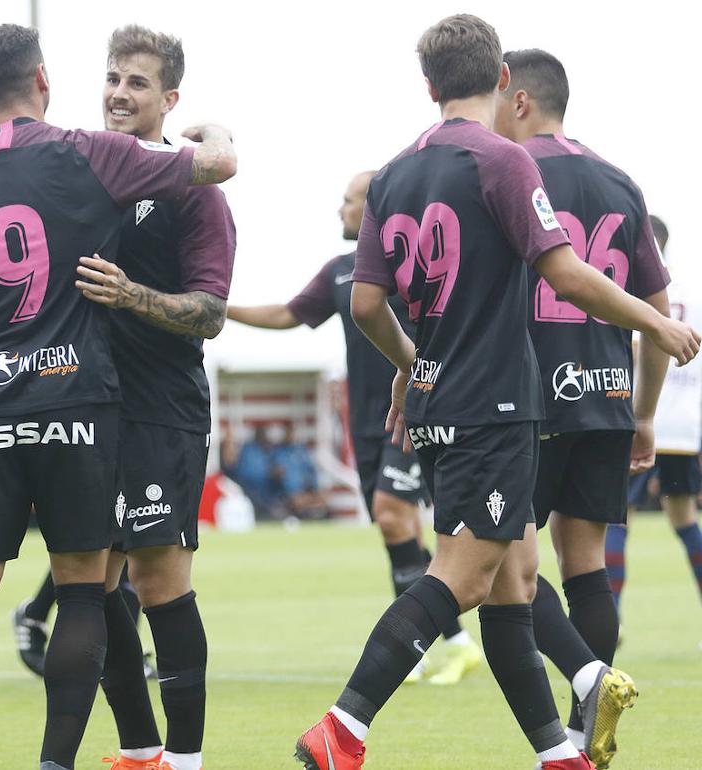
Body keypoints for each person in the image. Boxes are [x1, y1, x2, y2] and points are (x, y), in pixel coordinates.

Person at [294, 14, 700, 770]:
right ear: (501, 81)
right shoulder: (503, 161)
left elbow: (365, 306)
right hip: (498, 405)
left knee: (514, 583)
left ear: (428, 84)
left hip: (442, 400)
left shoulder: (393, 173)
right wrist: (657, 322)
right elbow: (567, 272)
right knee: (466, 577)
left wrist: (413, 367)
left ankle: (559, 753)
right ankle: (343, 726)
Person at [0, 23, 236, 770]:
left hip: (158, 408)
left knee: (159, 580)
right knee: (93, 586)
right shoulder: (78, 168)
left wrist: (132, 296)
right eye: (114, 78)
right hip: (84, 405)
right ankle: (139, 747)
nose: (121, 93)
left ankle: (186, 758)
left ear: (170, 98)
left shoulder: (184, 191)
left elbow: (212, 314)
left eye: (139, 82)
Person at [227, 170, 483, 685]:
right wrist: (219, 308)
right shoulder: (341, 272)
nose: (340, 210)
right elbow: (288, 313)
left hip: (417, 414)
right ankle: (441, 645)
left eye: (347, 201)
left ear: (373, 209)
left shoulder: (418, 266)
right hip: (366, 425)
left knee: (394, 517)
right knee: (399, 532)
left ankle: (446, 642)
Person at [492, 48, 675, 765]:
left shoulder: (509, 173)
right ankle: (578, 736)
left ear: (521, 99)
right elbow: (655, 314)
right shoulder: (621, 182)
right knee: (586, 563)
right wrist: (645, 413)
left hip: (527, 398)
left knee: (504, 563)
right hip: (605, 395)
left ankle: (586, 687)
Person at [605, 216, 702, 610]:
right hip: (683, 426)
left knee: (616, 516)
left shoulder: (626, 291)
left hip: (638, 416)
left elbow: (632, 347)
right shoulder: (692, 295)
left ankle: (611, 616)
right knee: (683, 517)